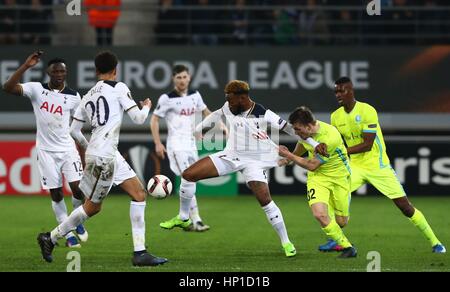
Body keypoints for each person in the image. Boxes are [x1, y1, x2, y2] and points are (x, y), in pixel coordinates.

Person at [162, 80, 328, 257]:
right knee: (188, 175)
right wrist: (200, 129)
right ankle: (184, 217)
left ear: (242, 98)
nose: (228, 103)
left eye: (231, 100)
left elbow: (291, 130)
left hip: (254, 162)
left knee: (265, 200)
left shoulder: (263, 113)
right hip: (231, 155)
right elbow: (216, 114)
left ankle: (286, 242)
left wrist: (314, 143)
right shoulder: (229, 107)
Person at [37, 50, 168, 266]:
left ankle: (140, 253)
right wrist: (146, 107)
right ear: (115, 70)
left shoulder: (87, 95)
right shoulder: (119, 87)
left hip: (104, 152)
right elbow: (138, 118)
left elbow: (74, 130)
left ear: (96, 71)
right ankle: (50, 237)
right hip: (103, 156)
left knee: (139, 194)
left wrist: (91, 148)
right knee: (92, 207)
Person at [321, 76, 446, 254]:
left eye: (342, 90)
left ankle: (436, 243)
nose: (338, 94)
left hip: (378, 166)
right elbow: (337, 142)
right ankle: (336, 240)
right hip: (354, 166)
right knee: (334, 195)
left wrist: (342, 152)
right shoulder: (335, 116)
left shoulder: (367, 111)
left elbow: (367, 144)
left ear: (351, 91)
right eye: (336, 91)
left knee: (405, 206)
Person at [2, 51, 88, 248]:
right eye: (55, 71)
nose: (59, 74)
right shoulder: (36, 89)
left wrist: (83, 150)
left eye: (62, 71)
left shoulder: (75, 97)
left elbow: (77, 127)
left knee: (78, 189)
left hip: (67, 149)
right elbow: (7, 87)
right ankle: (68, 235)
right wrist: (25, 66)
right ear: (49, 72)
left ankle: (77, 221)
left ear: (66, 74)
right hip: (46, 152)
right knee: (56, 194)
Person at [278, 106, 357, 258]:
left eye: (298, 129)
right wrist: (289, 158)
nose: (296, 133)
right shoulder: (306, 132)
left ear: (308, 126)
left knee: (341, 221)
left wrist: (289, 155)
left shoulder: (329, 137)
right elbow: (303, 143)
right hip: (318, 179)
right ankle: (348, 247)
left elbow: (312, 165)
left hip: (340, 178)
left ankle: (339, 239)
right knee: (320, 214)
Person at [151, 64, 220, 232]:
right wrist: (158, 143)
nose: (182, 80)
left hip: (191, 144)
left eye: (184, 77)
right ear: (173, 79)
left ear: (189, 78)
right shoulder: (166, 99)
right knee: (189, 178)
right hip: (176, 145)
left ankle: (186, 220)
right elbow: (154, 120)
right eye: (178, 77)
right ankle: (196, 220)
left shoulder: (195, 95)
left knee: (191, 179)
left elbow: (206, 113)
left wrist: (221, 126)